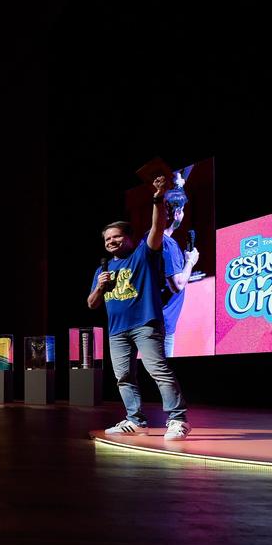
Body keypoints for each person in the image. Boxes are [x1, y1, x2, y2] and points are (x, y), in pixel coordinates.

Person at [88, 174, 191, 439]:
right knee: (123, 377)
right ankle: (135, 420)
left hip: (145, 324)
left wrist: (158, 197)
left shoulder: (143, 255)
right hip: (116, 331)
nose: (111, 242)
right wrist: (100, 286)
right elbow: (91, 304)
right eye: (107, 239)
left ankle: (178, 419)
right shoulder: (104, 268)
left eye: (116, 237)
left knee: (158, 371)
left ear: (130, 237)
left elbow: (157, 227)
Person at [158, 179, 200, 358]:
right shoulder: (168, 245)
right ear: (177, 213)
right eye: (181, 211)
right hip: (163, 324)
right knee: (166, 377)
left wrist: (179, 186)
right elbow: (177, 284)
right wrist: (190, 261)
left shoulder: (149, 238)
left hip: (151, 322)